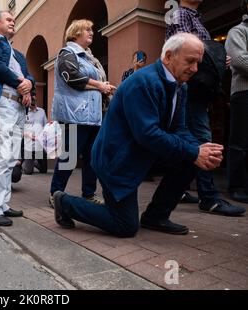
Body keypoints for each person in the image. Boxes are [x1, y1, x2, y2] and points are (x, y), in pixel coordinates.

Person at [53, 33, 232, 238]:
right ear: (168, 57)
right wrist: (193, 151)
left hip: (143, 153)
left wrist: (200, 150)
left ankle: (156, 216)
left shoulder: (180, 86)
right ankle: (65, 202)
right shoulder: (143, 83)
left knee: (191, 159)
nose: (195, 69)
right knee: (125, 226)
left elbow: (179, 129)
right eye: (190, 61)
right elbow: (148, 134)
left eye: (198, 63)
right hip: (117, 160)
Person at [166, 0, 246, 216]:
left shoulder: (194, 17)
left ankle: (179, 189)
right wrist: (213, 57)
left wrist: (220, 59)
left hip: (194, 86)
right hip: (191, 85)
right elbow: (186, 51)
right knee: (202, 135)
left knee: (187, 135)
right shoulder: (181, 14)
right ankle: (209, 198)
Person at [49, 19, 117, 208]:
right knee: (69, 157)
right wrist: (99, 85)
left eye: (91, 29)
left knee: (92, 158)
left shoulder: (90, 58)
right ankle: (55, 193)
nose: (91, 32)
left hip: (94, 116)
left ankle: (89, 194)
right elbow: (71, 77)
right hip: (74, 115)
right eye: (87, 29)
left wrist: (104, 88)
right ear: (75, 33)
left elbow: (91, 82)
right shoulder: (67, 53)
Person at [0, 10, 35, 227]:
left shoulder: (17, 53)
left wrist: (28, 83)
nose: (13, 22)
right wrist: (21, 83)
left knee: (10, 159)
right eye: (9, 19)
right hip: (1, 102)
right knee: (0, 157)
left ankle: (2, 204)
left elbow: (28, 74)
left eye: (14, 20)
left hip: (19, 107)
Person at [225, 0, 248, 203]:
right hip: (243, 92)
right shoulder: (238, 31)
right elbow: (240, 61)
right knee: (240, 142)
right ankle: (237, 186)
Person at [22, 100, 48, 175]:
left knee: (43, 170)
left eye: (35, 103)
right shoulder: (24, 111)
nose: (34, 105)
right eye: (32, 103)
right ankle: (24, 164)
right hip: (28, 144)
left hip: (39, 143)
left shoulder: (42, 111)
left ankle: (34, 162)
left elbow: (45, 126)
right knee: (28, 172)